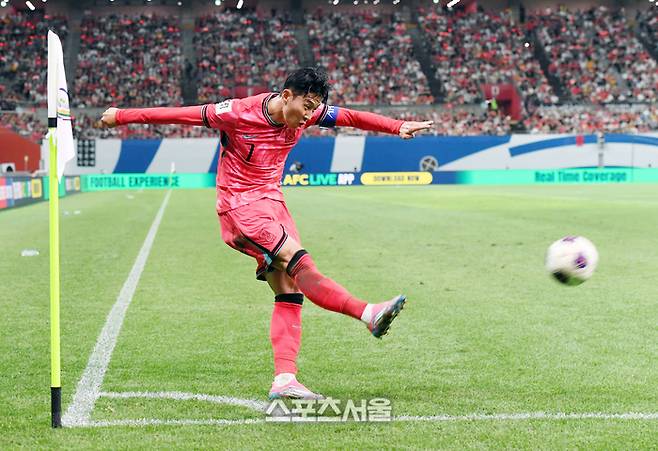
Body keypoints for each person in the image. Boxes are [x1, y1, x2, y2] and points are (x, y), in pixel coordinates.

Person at [98, 67, 433, 400]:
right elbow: (178, 115)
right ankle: (368, 313)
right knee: (299, 263)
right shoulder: (236, 114)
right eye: (306, 105)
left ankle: (284, 379)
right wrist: (121, 116)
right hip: (241, 206)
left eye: (315, 107)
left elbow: (350, 117)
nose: (309, 115)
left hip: (273, 203)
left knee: (288, 290)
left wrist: (397, 126)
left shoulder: (307, 114)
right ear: (286, 96)